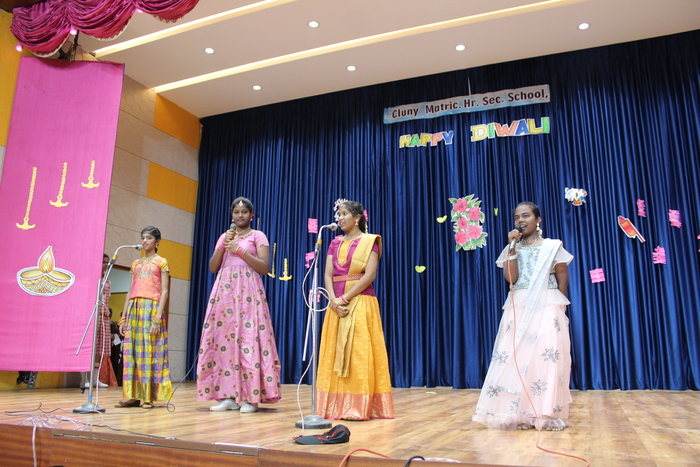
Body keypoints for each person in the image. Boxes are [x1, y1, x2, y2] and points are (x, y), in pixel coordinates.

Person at [472, 202, 573, 431]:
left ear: (538, 220)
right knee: (517, 358)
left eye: (526, 216)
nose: (520, 221)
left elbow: (562, 278)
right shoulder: (512, 247)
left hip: (547, 305)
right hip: (519, 305)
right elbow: (511, 278)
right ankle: (521, 414)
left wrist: (559, 307)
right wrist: (512, 247)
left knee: (544, 359)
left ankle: (545, 413)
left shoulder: (552, 246)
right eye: (517, 217)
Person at [196, 197, 281, 413]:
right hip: (225, 293)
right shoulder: (225, 236)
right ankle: (227, 396)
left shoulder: (258, 236)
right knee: (223, 341)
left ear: (251, 215)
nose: (240, 215)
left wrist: (240, 251)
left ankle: (251, 398)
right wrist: (224, 245)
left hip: (248, 292)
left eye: (244, 212)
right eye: (236, 212)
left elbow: (264, 267)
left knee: (249, 340)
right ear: (231, 215)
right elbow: (213, 267)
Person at [315, 200, 394, 420]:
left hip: (361, 302)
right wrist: (333, 300)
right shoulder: (334, 242)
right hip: (336, 306)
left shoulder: (370, 241)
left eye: (344, 214)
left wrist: (344, 298)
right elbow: (328, 274)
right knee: (334, 354)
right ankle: (333, 407)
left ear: (357, 218)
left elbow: (370, 275)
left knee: (359, 355)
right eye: (338, 214)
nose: (339, 218)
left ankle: (358, 407)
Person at [116, 227, 172, 408]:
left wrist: (157, 318)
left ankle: (147, 396)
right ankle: (132, 395)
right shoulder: (136, 263)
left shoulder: (161, 262)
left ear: (157, 242)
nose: (145, 241)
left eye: (149, 238)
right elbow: (130, 290)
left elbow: (164, 291)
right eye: (143, 238)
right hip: (134, 308)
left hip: (151, 309)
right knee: (131, 351)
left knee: (149, 351)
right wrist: (124, 317)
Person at [81, 254, 112, 389]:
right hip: (92, 314)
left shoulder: (107, 281)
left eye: (107, 263)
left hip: (103, 315)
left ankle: (95, 379)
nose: (105, 265)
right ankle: (84, 379)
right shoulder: (90, 279)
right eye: (103, 262)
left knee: (100, 348)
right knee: (88, 347)